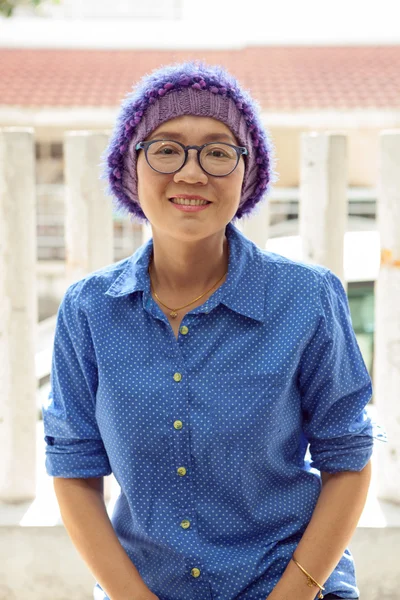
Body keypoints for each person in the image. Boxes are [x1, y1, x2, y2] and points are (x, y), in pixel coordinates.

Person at [42, 60, 386, 600]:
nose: (192, 173)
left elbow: (348, 461)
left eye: (219, 151)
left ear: (247, 174)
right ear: (129, 168)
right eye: (166, 148)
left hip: (287, 584)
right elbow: (74, 472)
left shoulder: (307, 298)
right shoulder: (89, 311)